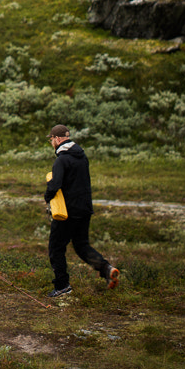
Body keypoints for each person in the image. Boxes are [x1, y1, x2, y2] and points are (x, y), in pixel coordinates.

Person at [44, 125, 120, 298]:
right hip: (85, 209)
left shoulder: (61, 160)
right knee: (81, 245)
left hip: (67, 212)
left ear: (57, 139)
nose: (51, 143)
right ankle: (107, 269)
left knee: (56, 248)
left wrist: (47, 196)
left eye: (51, 140)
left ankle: (62, 286)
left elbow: (55, 185)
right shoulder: (82, 156)